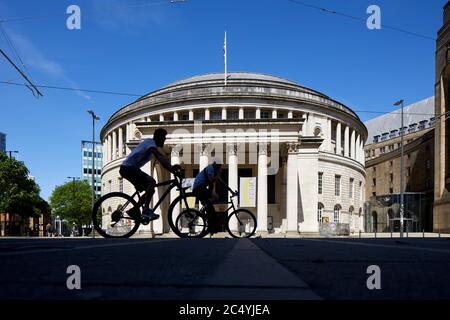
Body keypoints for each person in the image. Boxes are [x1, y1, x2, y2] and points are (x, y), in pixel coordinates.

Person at [119, 128, 181, 221]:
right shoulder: (150, 143)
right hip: (128, 168)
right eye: (163, 137)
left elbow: (162, 159)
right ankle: (146, 210)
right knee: (151, 182)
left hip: (129, 169)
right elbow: (160, 157)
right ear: (158, 137)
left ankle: (134, 209)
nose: (164, 139)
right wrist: (172, 168)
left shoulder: (152, 146)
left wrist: (171, 167)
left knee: (151, 190)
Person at [192, 161, 234, 233]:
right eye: (220, 168)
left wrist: (231, 191)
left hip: (201, 189)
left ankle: (209, 224)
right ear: (216, 166)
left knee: (211, 209)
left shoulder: (214, 171)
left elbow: (222, 183)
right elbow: (211, 179)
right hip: (199, 188)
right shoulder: (210, 168)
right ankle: (207, 221)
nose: (220, 169)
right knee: (211, 206)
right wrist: (213, 194)